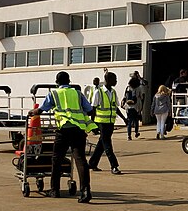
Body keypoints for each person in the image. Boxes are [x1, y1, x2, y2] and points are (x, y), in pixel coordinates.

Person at [31, 71, 96, 202]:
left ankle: (55, 190)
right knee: (81, 160)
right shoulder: (77, 93)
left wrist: (32, 112)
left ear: (57, 82)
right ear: (69, 81)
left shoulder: (54, 93)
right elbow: (89, 110)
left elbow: (41, 109)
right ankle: (85, 191)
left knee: (57, 159)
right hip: (78, 130)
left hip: (64, 130)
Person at [88, 71, 128, 174]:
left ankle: (92, 163)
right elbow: (93, 109)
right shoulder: (99, 92)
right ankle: (114, 166)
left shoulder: (113, 92)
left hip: (110, 122)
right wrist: (92, 125)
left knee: (102, 143)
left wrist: (124, 118)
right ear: (108, 80)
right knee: (107, 144)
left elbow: (115, 108)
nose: (116, 81)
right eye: (114, 79)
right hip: (101, 122)